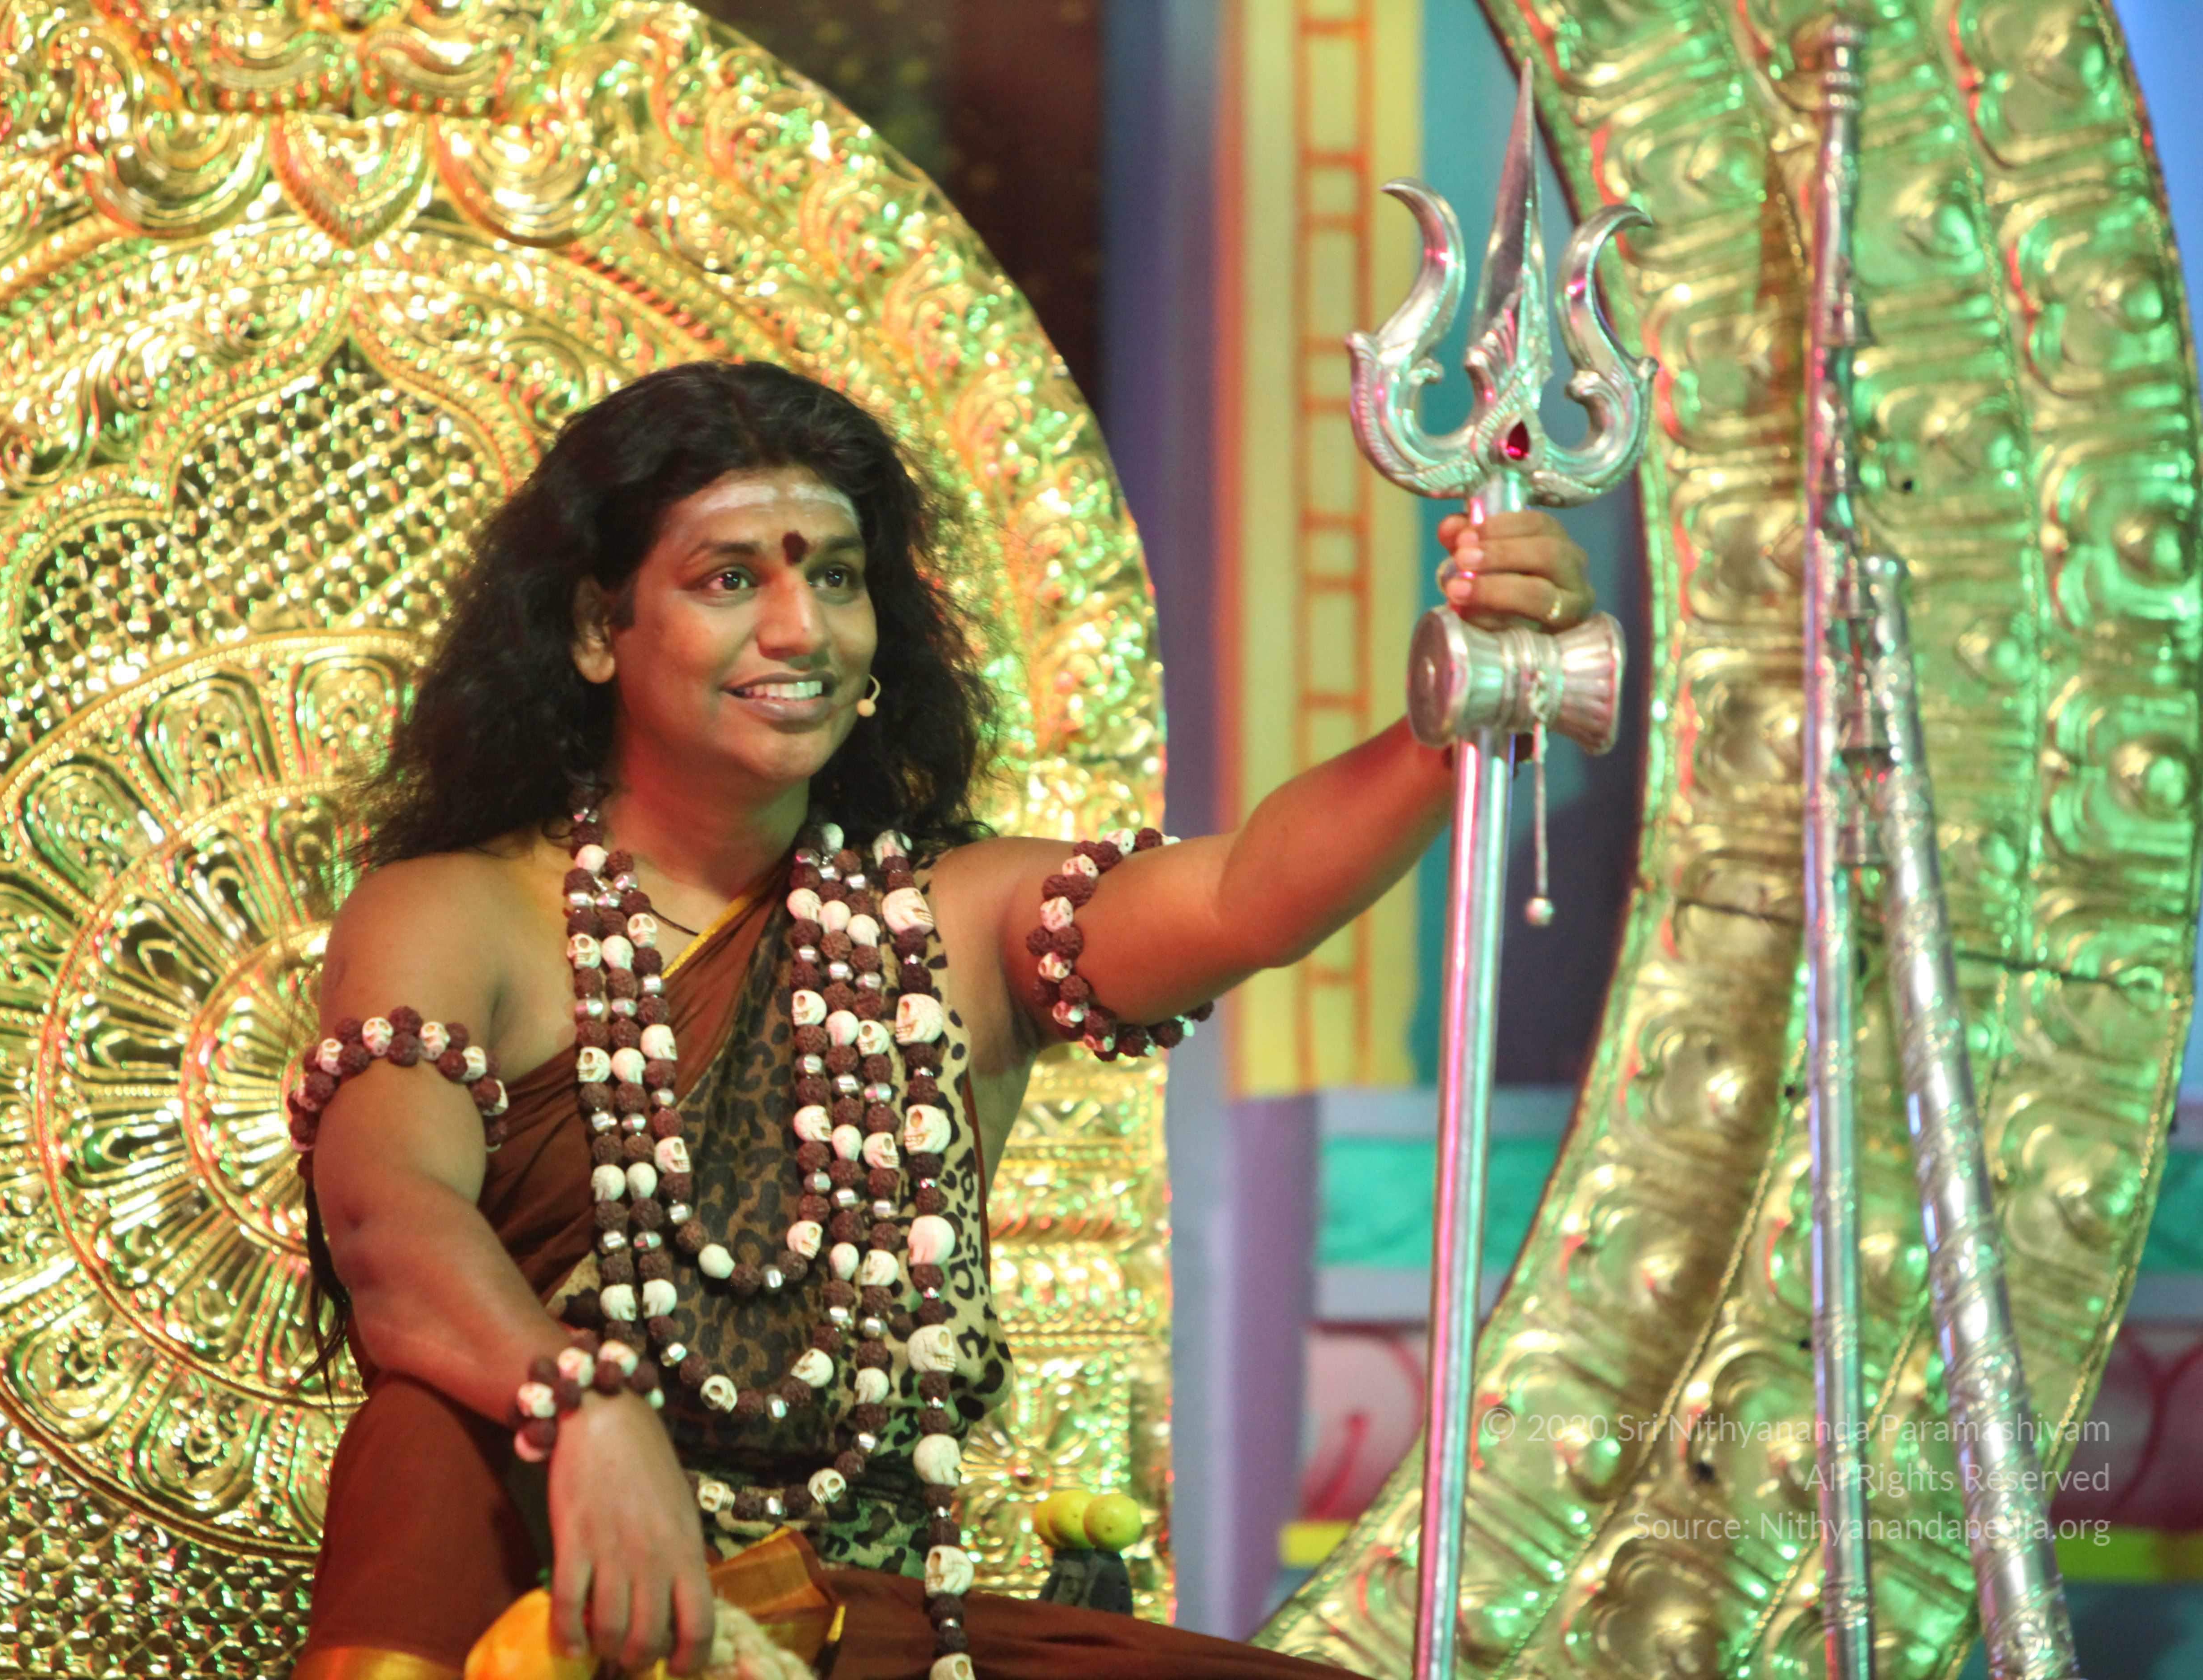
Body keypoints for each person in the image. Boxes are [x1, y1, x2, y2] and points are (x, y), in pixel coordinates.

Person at [286, 361, 1594, 1680]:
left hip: (883, 1632)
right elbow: (390, 1219)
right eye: (730, 579)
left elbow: (1247, 896)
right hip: (546, 1588)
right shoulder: (456, 914)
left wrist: (1456, 713)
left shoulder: (947, 925)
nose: (802, 628)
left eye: (837, 576)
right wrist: (588, 1407)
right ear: (593, 629)